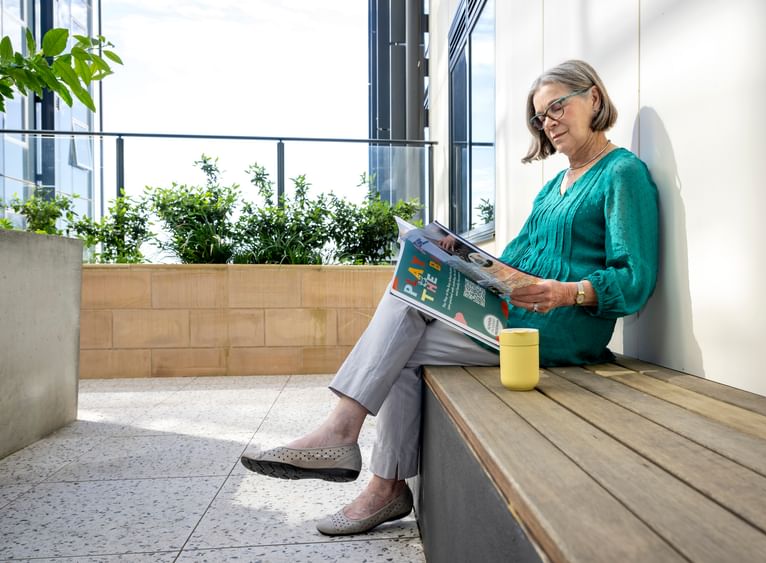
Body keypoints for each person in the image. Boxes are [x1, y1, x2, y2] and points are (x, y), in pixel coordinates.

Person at [240, 59, 658, 536]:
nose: (549, 122)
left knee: (401, 334)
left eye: (557, 107)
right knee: (412, 290)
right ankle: (376, 477)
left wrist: (570, 291)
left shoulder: (623, 173)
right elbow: (515, 261)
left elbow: (635, 278)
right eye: (541, 116)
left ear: (595, 99)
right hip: (513, 312)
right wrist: (460, 255)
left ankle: (358, 455)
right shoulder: (551, 190)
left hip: (558, 329)